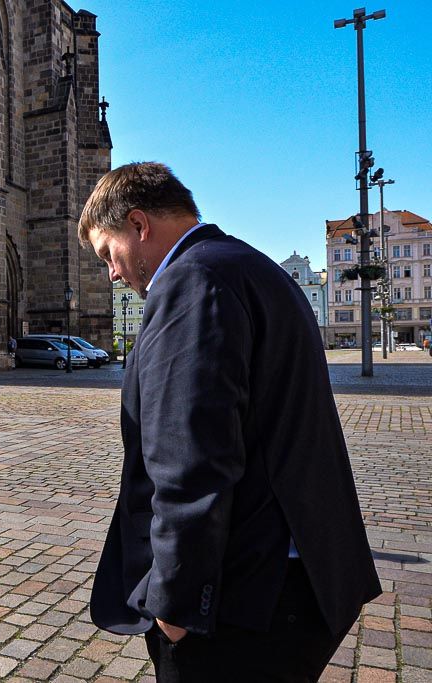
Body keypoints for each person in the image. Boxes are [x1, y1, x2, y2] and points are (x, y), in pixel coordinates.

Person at [79, 162, 380, 682]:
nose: (111, 272)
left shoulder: (190, 282)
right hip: (304, 572)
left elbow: (191, 456)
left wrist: (174, 606)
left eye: (108, 252)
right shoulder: (251, 268)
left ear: (139, 225)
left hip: (244, 596)